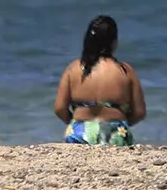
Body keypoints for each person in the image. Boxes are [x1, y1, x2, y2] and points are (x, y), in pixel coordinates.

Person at [54, 15, 146, 145]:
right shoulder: (125, 71)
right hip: (115, 132)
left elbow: (59, 108)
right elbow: (139, 112)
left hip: (80, 131)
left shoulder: (73, 68)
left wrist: (75, 122)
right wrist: (121, 123)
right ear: (114, 42)